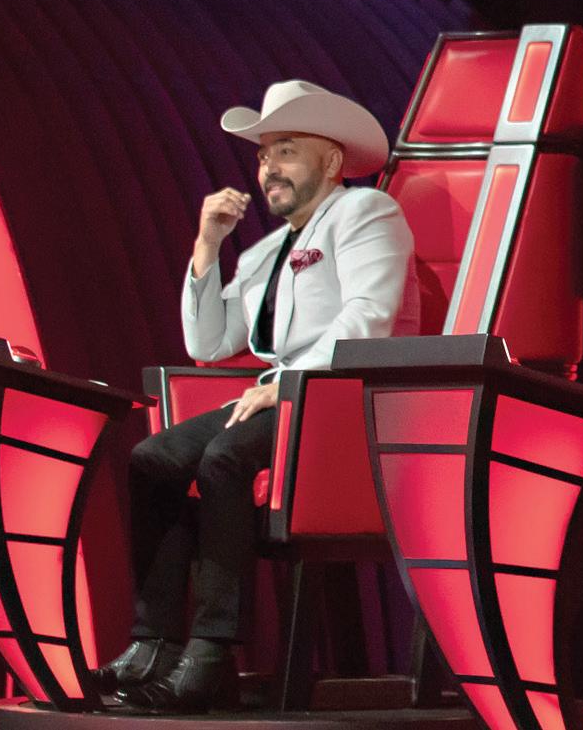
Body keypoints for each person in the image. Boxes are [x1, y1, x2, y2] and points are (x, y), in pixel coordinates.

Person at [89, 80, 419, 713]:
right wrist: (207, 245)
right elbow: (210, 343)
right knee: (153, 459)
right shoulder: (265, 252)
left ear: (330, 160)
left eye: (286, 150)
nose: (269, 168)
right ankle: (154, 642)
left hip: (350, 400)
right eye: (264, 155)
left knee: (225, 457)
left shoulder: (366, 212)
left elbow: (369, 319)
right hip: (282, 397)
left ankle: (211, 655)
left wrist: (285, 386)